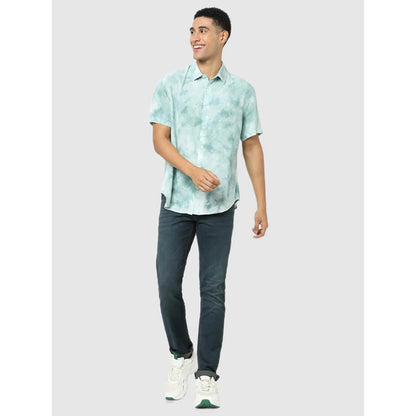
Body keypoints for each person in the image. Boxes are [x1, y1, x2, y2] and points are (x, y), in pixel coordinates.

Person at [149, 7, 268, 409]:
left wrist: (261, 204)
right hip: (176, 203)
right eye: (191, 31)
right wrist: (192, 171)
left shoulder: (242, 91)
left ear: (223, 36)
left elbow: (251, 146)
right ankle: (181, 353)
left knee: (212, 291)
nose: (195, 37)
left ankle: (207, 374)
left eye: (203, 30)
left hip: (220, 208)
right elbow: (160, 140)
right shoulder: (170, 84)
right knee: (167, 284)